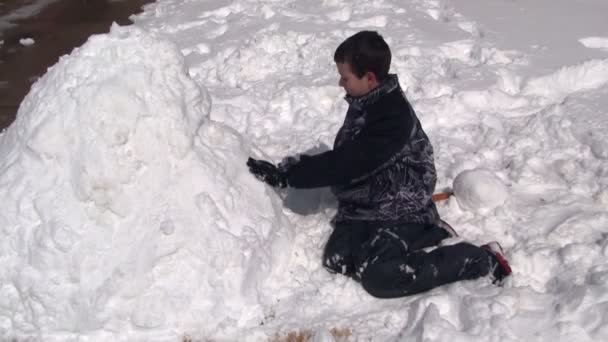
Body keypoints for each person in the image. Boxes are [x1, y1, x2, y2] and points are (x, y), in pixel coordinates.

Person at [247, 31, 511, 298]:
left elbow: (347, 163)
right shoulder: (366, 100)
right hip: (369, 203)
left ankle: (477, 258)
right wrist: (296, 167)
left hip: (402, 207)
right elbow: (347, 156)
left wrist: (289, 175)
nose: (340, 83)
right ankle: (409, 238)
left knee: (379, 276)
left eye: (346, 77)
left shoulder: (392, 118)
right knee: (337, 260)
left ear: (370, 78)